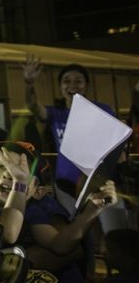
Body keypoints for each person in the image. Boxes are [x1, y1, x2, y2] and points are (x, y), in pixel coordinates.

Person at [23, 57, 114, 194]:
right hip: (65, 182)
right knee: (70, 216)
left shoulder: (103, 110)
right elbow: (33, 105)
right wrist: (29, 83)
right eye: (66, 81)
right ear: (60, 87)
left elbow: (117, 141)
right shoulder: (55, 113)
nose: (72, 85)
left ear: (87, 85)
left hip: (98, 182)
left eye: (78, 81)